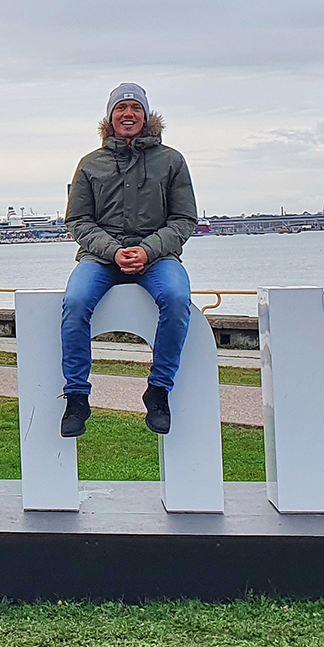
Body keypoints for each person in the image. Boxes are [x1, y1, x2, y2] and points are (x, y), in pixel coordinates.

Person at [60, 82, 200, 438]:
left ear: (146, 115)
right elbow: (78, 221)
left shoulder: (172, 161)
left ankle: (158, 390)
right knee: (75, 302)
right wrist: (113, 251)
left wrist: (149, 250)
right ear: (110, 117)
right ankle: (76, 396)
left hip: (158, 257)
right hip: (100, 257)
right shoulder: (90, 165)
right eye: (121, 108)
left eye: (135, 108)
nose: (128, 114)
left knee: (177, 298)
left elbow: (184, 220)